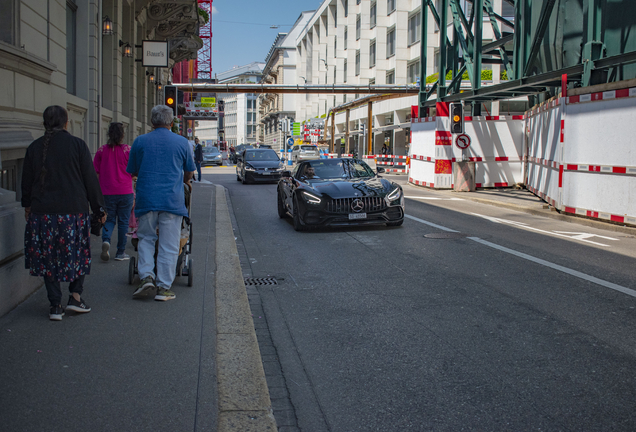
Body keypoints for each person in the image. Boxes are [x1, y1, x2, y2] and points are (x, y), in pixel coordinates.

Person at [21, 105, 106, 321]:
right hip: (73, 213)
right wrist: (99, 208)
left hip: (43, 214)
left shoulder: (34, 147)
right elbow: (90, 180)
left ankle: (55, 305)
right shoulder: (77, 145)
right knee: (77, 254)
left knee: (49, 258)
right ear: (66, 123)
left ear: (44, 123)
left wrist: (27, 206)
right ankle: (75, 297)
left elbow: (26, 181)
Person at [127, 105, 196, 302]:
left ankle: (146, 277)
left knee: (146, 239)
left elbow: (132, 170)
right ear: (171, 123)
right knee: (169, 244)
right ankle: (164, 287)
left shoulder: (140, 141)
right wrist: (185, 179)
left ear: (151, 122)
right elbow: (189, 172)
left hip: (146, 198)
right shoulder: (182, 142)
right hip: (172, 201)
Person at [93, 122, 134, 261]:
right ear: (122, 135)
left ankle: (106, 241)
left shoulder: (101, 151)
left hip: (106, 191)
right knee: (123, 222)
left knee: (109, 219)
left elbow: (95, 172)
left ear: (109, 134)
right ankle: (120, 252)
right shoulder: (128, 150)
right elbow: (134, 171)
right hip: (125, 191)